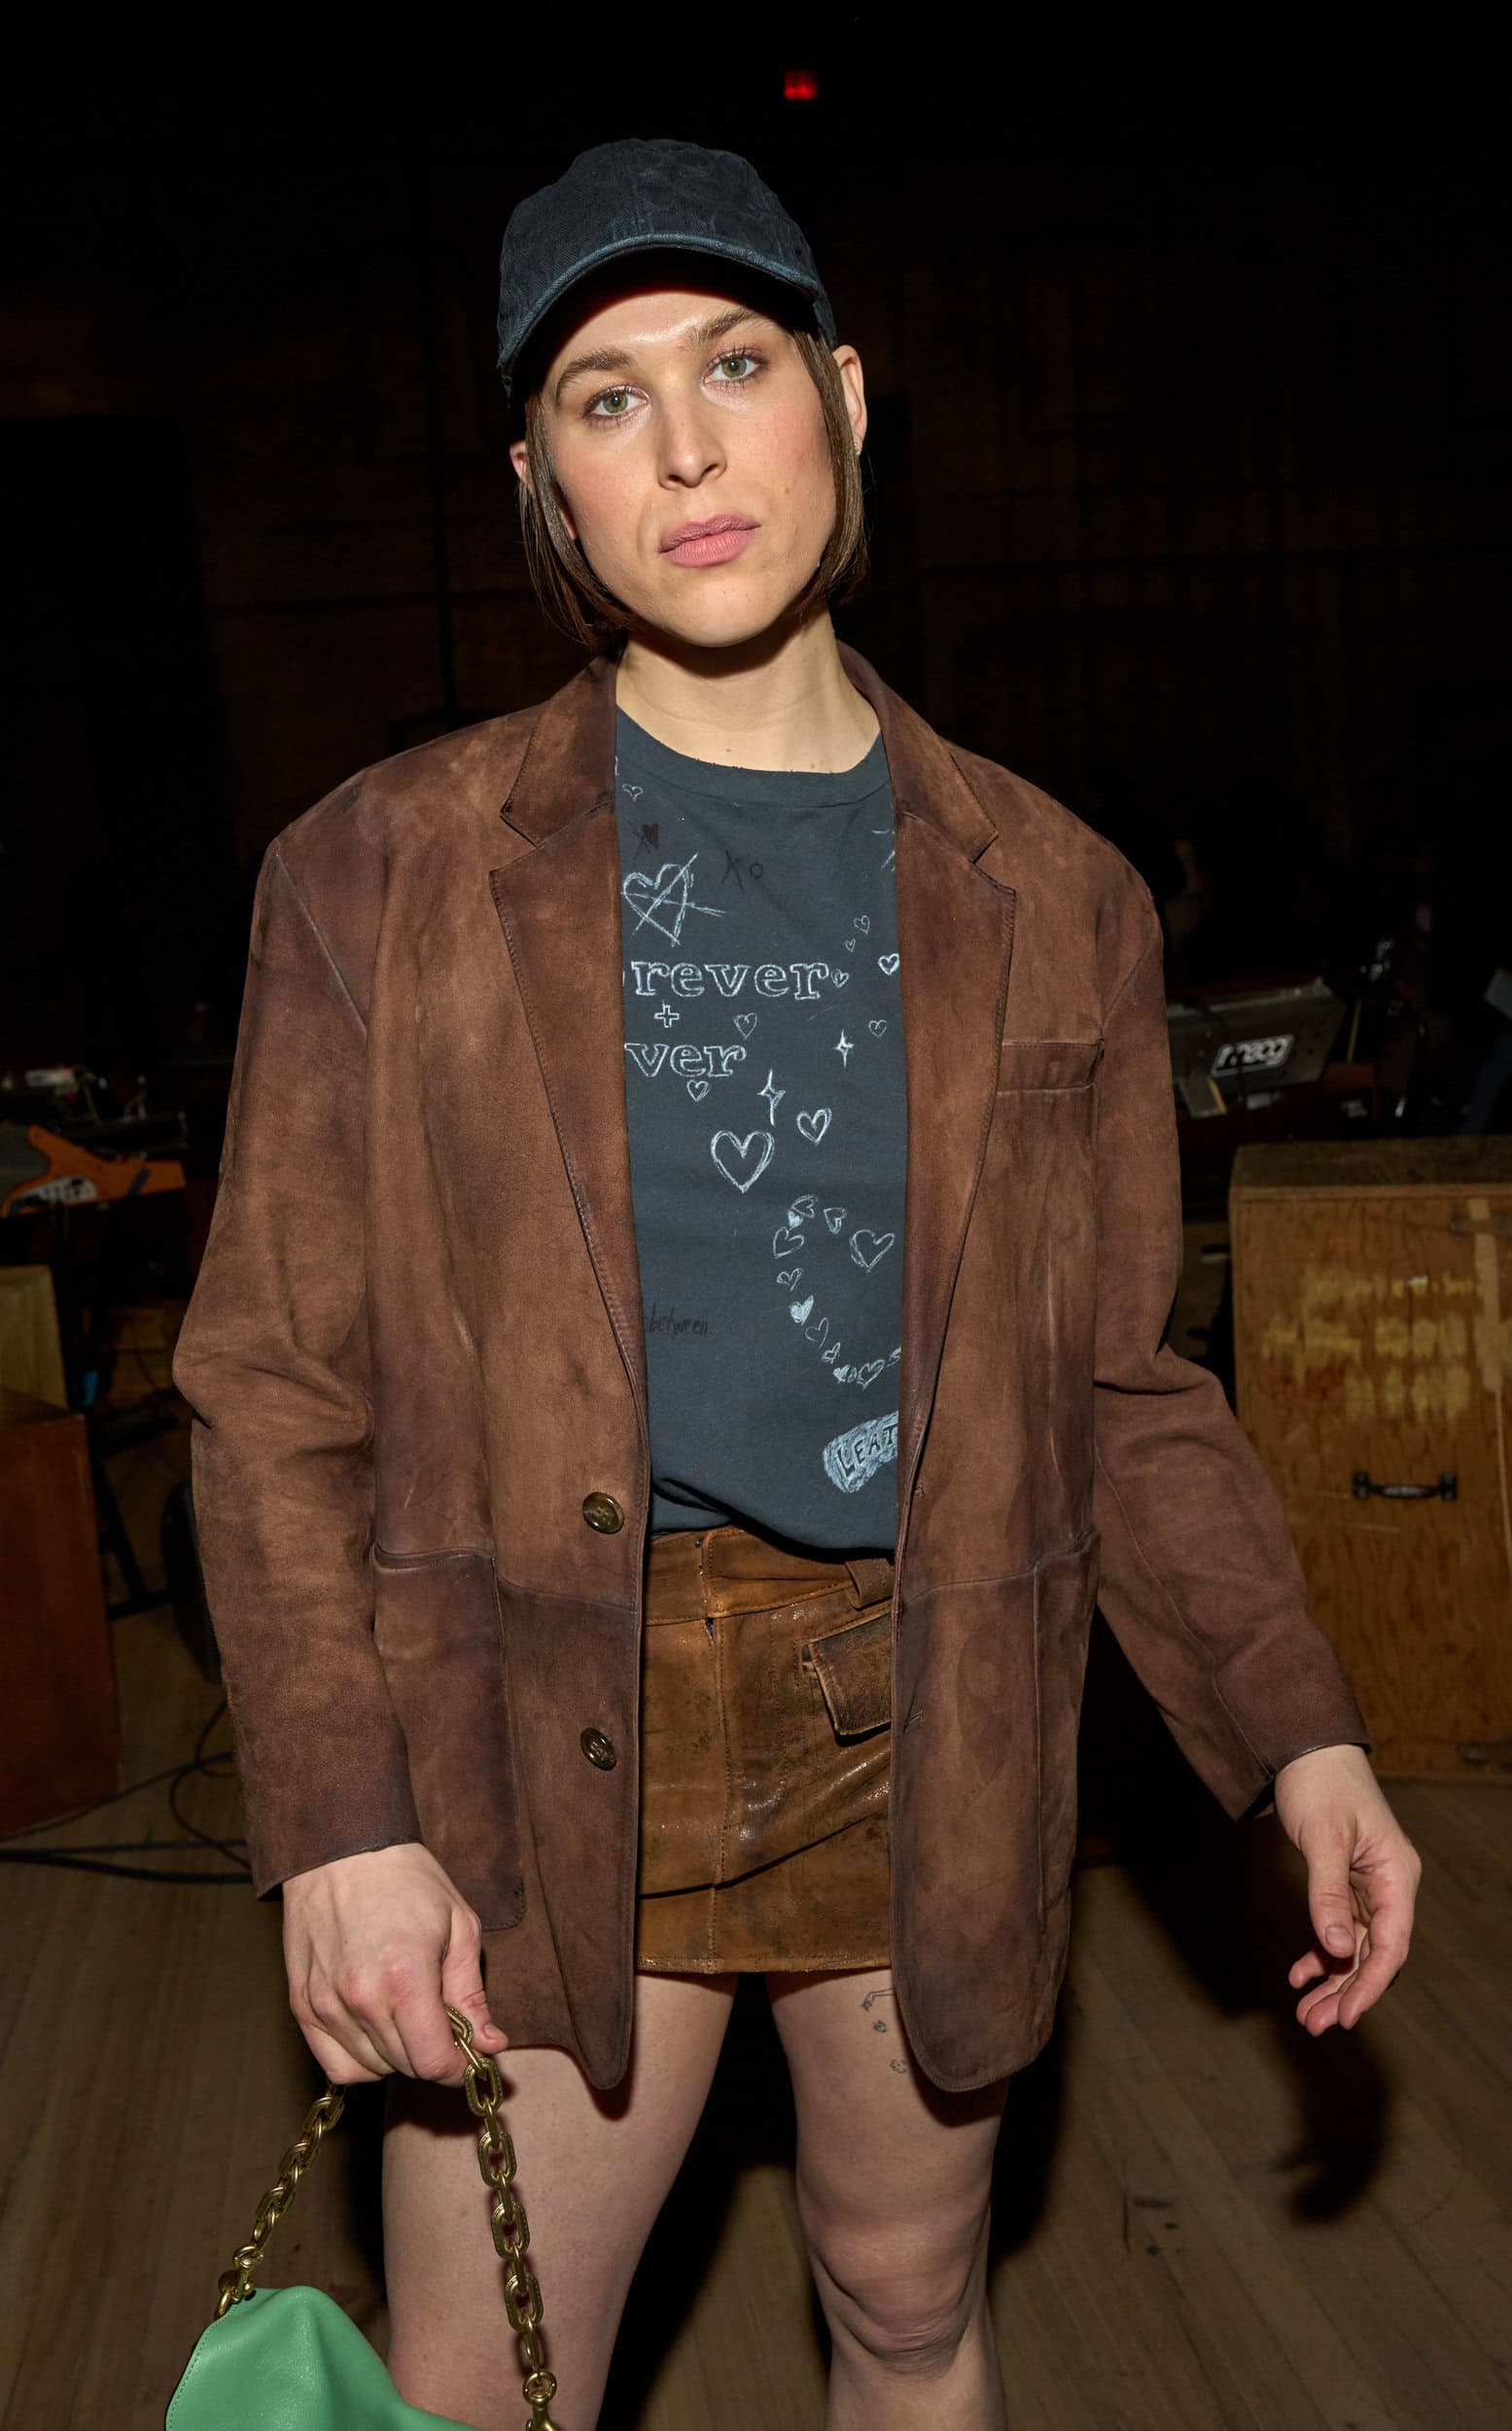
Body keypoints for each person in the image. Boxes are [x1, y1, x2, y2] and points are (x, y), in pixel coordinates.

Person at [171, 139, 1422, 2430]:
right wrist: (342, 1813)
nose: (685, 446)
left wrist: (1298, 1723)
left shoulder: (1057, 892)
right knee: (486, 2385)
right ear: (544, 485)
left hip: (928, 1704)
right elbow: (268, 1389)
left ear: (846, 394)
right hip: (538, 1718)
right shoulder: (379, 871)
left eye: (735, 364)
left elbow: (1123, 1384)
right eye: (605, 397)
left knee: (910, 2309)